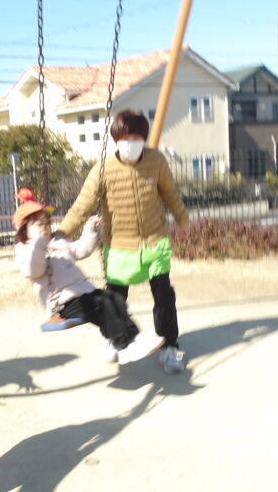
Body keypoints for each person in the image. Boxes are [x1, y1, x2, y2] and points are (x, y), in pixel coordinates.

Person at [58, 109, 190, 374]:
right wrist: (61, 233)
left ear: (144, 138)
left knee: (164, 295)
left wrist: (183, 220)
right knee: (115, 297)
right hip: (119, 244)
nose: (131, 143)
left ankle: (169, 346)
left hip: (154, 240)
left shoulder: (156, 161)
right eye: (125, 139)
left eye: (137, 138)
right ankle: (113, 338)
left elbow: (170, 194)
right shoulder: (103, 169)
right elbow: (83, 205)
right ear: (116, 140)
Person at [13, 188, 163, 364]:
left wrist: (90, 230)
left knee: (114, 298)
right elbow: (34, 270)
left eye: (46, 224)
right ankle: (124, 344)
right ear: (24, 230)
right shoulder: (25, 251)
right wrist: (39, 246)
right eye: (39, 225)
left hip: (83, 293)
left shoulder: (57, 242)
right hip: (63, 303)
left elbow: (81, 249)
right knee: (102, 304)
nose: (44, 228)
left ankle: (130, 339)